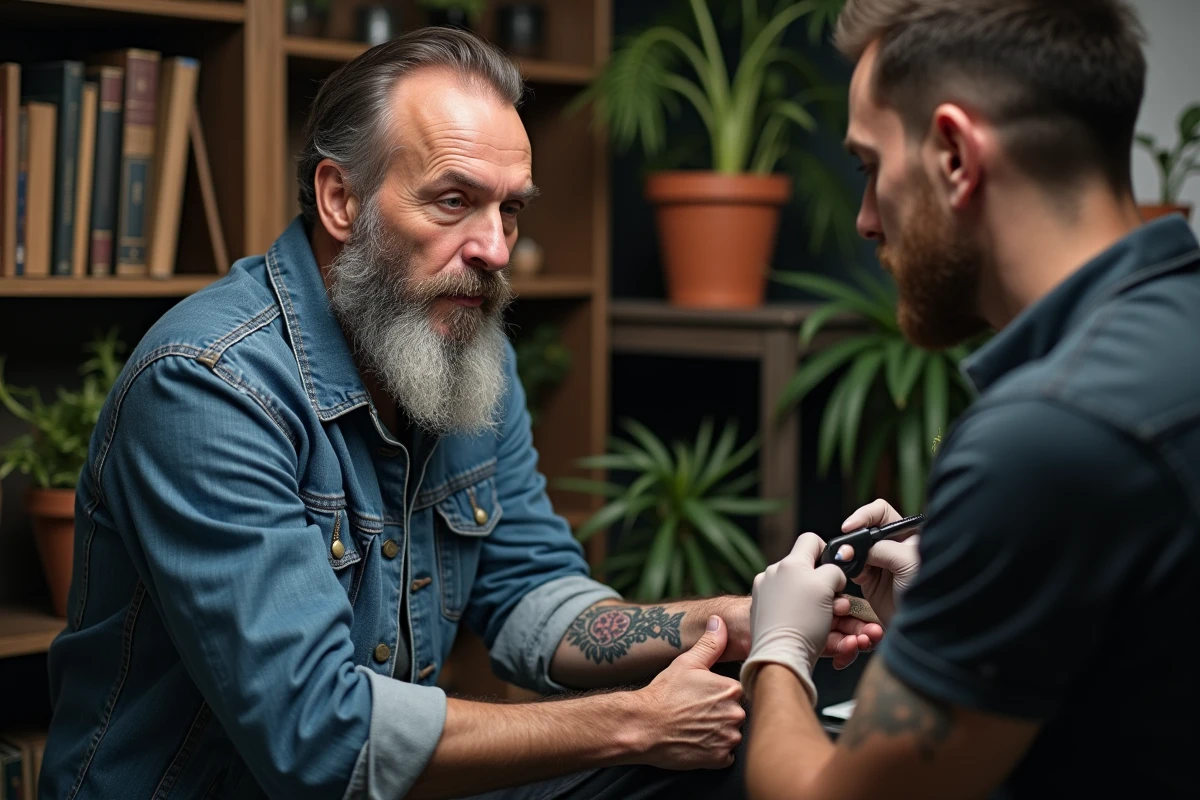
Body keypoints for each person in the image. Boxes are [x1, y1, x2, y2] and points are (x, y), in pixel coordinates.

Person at [36, 27, 879, 800]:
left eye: (510, 208)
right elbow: (317, 736)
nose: (496, 248)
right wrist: (635, 722)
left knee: (732, 758)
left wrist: (724, 620)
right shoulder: (209, 385)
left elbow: (528, 597)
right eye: (453, 202)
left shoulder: (464, 352)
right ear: (340, 200)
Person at [740, 0, 1199, 798]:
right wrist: (965, 612)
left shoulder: (1050, 432)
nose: (865, 220)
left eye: (869, 166)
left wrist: (778, 650)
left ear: (954, 155)